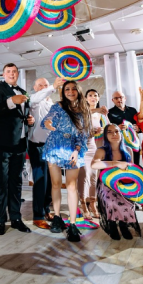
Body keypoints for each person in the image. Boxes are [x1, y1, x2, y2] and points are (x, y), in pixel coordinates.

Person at [0, 64, 34, 235]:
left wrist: (29, 120)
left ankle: (16, 218)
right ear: (3, 74)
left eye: (14, 71)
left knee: (16, 182)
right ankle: (0, 220)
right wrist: (12, 100)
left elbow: (22, 115)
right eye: (8, 71)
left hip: (20, 143)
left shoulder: (23, 91)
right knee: (1, 183)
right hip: (1, 143)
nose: (12, 74)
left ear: (17, 74)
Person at [42, 81, 91, 242]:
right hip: (55, 146)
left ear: (79, 91)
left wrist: (77, 151)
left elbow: (83, 134)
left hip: (72, 148)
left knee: (71, 186)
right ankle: (57, 217)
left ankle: (72, 224)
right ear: (63, 92)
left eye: (73, 89)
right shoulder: (58, 106)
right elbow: (48, 119)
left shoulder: (83, 110)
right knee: (56, 183)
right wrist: (49, 124)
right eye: (67, 89)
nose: (70, 92)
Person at [91, 123, 141, 240]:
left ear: (121, 133)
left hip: (124, 183)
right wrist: (116, 163)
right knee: (110, 200)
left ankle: (123, 225)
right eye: (110, 132)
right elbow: (94, 164)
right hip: (106, 184)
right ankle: (112, 224)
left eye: (116, 131)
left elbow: (132, 170)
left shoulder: (128, 150)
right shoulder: (102, 151)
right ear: (105, 135)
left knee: (127, 202)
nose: (114, 134)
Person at [28, 77, 64, 228]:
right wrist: (53, 86)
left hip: (53, 147)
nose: (43, 87)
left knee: (51, 181)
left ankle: (46, 210)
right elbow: (38, 97)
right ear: (35, 88)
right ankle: (37, 216)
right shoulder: (34, 101)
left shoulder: (52, 104)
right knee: (40, 180)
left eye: (46, 85)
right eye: (40, 85)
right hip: (37, 146)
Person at [79, 88, 108, 220]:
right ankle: (83, 204)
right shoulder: (82, 110)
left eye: (95, 95)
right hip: (81, 147)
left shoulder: (100, 114)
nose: (93, 97)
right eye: (90, 95)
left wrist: (101, 130)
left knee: (94, 177)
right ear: (86, 98)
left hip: (93, 146)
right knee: (84, 175)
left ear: (98, 98)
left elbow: (108, 127)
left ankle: (93, 203)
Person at [107, 91, 141, 166]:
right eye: (116, 98)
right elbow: (107, 129)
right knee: (123, 165)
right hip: (119, 144)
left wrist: (138, 129)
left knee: (135, 165)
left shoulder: (133, 110)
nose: (119, 100)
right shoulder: (109, 113)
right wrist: (117, 128)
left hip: (133, 143)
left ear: (125, 98)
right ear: (112, 100)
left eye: (121, 97)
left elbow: (140, 125)